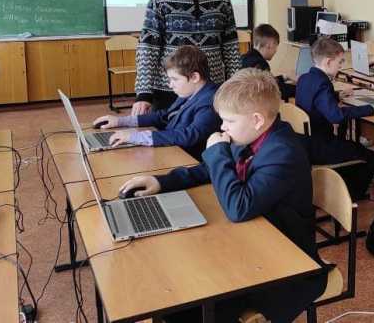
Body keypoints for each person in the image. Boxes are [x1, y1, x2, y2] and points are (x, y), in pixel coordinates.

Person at [118, 69, 327, 323]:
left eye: (228, 121)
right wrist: (162, 182)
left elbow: (238, 208)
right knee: (178, 295)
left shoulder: (282, 152)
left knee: (192, 307)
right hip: (252, 242)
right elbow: (210, 170)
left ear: (257, 120)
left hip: (286, 264)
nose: (222, 127)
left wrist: (218, 152)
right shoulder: (253, 135)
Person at [133, 0, 241, 115]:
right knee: (165, 129)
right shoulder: (160, 0)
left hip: (211, 88)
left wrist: (234, 85)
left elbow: (230, 47)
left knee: (207, 129)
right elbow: (148, 48)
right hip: (169, 88)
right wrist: (143, 93)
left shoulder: (222, 0)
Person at [295, 37, 374, 199]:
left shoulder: (305, 78)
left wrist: (336, 96)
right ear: (328, 62)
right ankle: (349, 198)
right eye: (340, 62)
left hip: (305, 142)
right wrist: (372, 108)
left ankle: (340, 190)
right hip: (319, 147)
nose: (341, 66)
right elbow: (336, 116)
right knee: (372, 157)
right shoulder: (323, 83)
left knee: (353, 146)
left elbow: (314, 99)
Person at [94, 46, 220, 160]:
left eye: (174, 79)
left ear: (194, 77)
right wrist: (121, 121)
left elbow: (188, 136)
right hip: (171, 150)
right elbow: (164, 116)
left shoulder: (210, 101)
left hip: (186, 159)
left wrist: (135, 137)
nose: (170, 85)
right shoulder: (190, 92)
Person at [241, 23, 295, 99]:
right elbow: (274, 90)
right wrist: (300, 87)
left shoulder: (247, 57)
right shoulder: (259, 63)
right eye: (276, 46)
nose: (276, 51)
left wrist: (284, 77)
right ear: (270, 45)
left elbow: (267, 81)